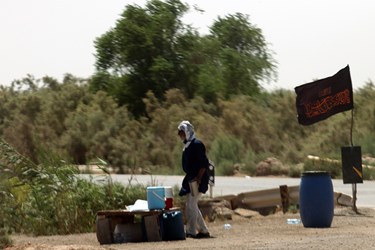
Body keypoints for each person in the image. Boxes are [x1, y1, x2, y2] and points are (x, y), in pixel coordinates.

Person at [177, 120, 210, 239]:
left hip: (198, 179)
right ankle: (203, 230)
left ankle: (191, 231)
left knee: (191, 203)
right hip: (191, 179)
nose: (180, 135)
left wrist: (199, 178)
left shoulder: (197, 144)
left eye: (181, 132)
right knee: (191, 204)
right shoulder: (187, 145)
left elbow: (203, 164)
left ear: (187, 132)